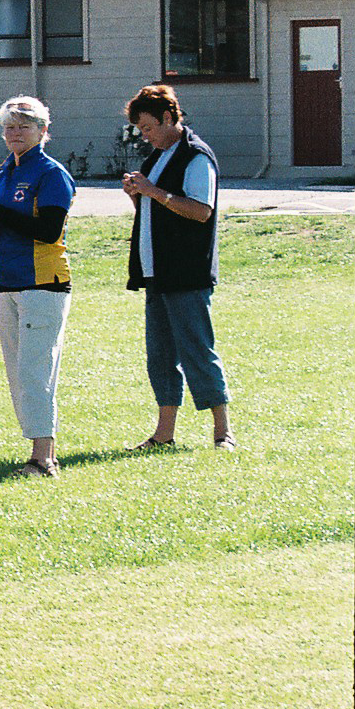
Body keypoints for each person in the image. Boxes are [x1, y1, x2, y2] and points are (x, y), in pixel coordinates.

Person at [0, 96, 76, 478]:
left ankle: (44, 458)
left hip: (43, 282)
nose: (14, 133)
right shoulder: (3, 174)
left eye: (23, 126)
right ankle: (39, 452)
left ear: (43, 131)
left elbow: (49, 230)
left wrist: (1, 213)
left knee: (35, 372)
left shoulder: (51, 173)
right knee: (17, 373)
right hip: (8, 281)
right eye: (9, 126)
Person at [120, 83, 234, 451]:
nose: (145, 136)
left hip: (186, 273)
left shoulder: (196, 156)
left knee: (197, 351)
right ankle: (163, 434)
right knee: (161, 357)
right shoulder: (157, 158)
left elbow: (201, 211)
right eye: (141, 130)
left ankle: (223, 433)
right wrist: (138, 195)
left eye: (149, 127)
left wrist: (154, 191)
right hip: (157, 274)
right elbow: (155, 210)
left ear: (169, 117)